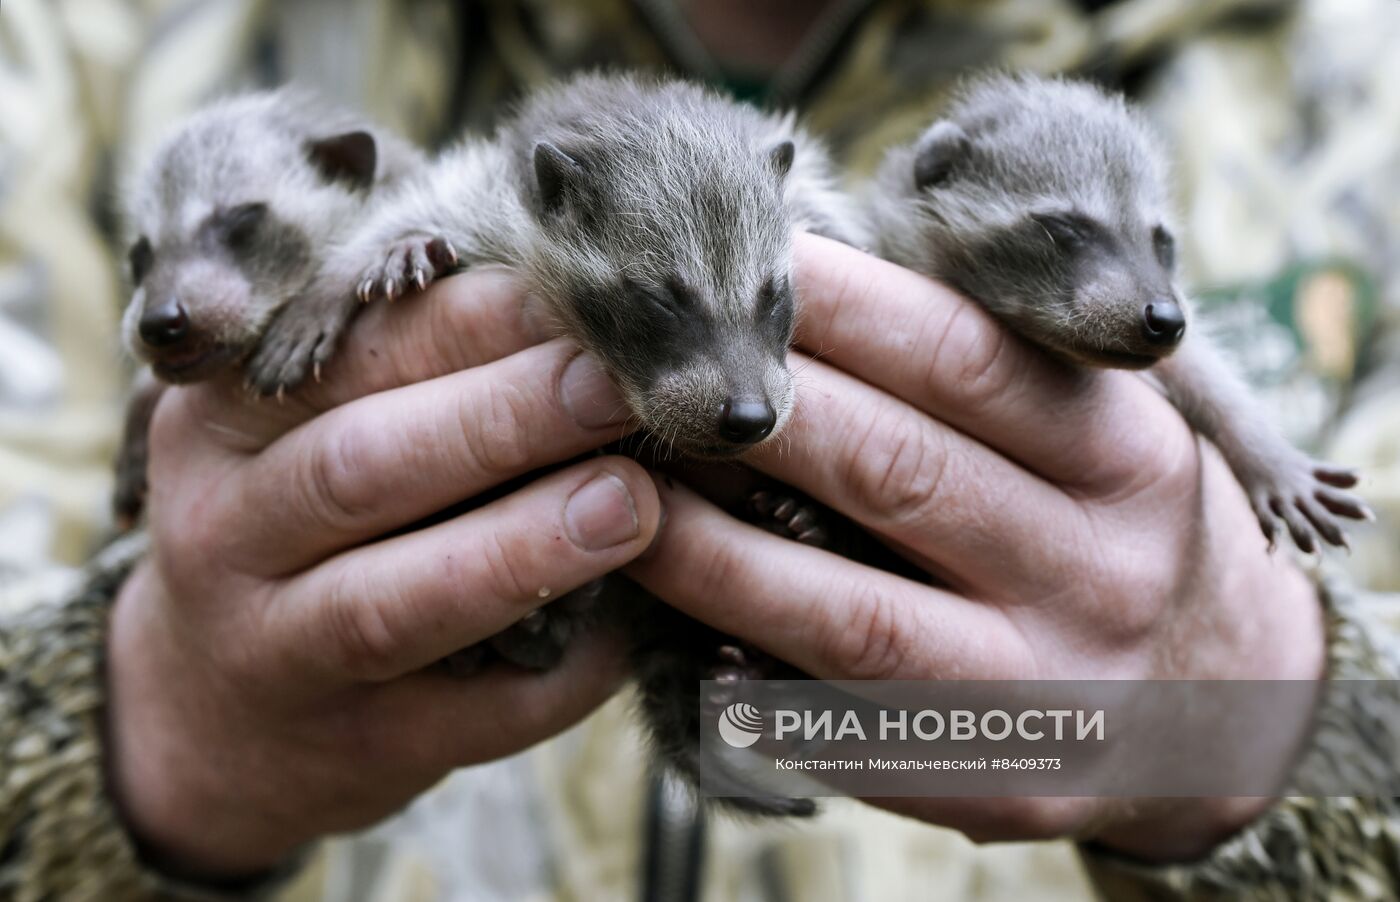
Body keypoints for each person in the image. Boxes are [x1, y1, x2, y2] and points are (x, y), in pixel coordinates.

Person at [2, 0, 1399, 899]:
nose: (748, 402)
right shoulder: (97, 55)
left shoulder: (1358, 90)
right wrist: (143, 742)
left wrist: (1248, 730)